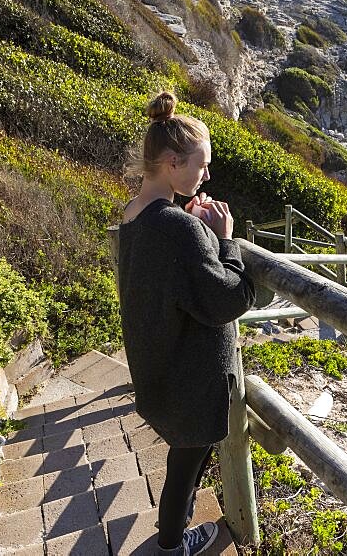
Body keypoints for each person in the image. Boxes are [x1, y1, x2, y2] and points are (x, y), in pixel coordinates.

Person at [118, 91, 255, 555]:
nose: (207, 175)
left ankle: (174, 535)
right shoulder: (180, 228)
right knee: (187, 462)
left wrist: (197, 234)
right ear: (174, 163)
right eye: (202, 165)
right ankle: (172, 545)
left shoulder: (135, 213)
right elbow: (228, 299)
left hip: (158, 363)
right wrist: (225, 240)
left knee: (186, 457)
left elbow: (172, 275)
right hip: (190, 378)